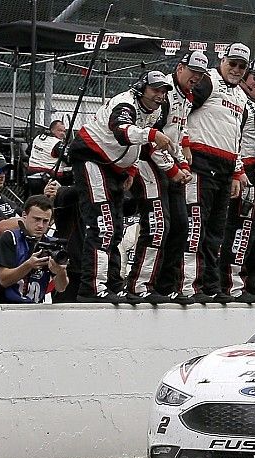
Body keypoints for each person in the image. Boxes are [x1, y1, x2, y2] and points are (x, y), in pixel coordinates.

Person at [68, 70, 174, 303]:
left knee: (115, 227)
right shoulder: (125, 103)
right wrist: (152, 134)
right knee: (103, 226)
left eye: (164, 91)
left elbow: (138, 146)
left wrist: (133, 169)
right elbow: (122, 132)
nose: (160, 95)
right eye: (155, 89)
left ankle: (113, 284)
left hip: (115, 167)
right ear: (141, 88)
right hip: (91, 158)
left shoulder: (153, 111)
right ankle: (92, 288)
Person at [124, 51, 208, 304]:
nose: (196, 77)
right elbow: (152, 139)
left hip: (171, 168)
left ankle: (166, 285)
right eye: (193, 71)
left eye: (201, 74)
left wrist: (182, 163)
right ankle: (139, 285)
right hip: (148, 165)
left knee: (182, 226)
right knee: (159, 226)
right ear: (180, 68)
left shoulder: (187, 98)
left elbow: (177, 135)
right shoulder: (167, 95)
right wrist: (174, 170)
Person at [181, 42, 250, 304]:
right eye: (232, 63)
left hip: (224, 170)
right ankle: (189, 285)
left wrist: (235, 172)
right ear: (222, 60)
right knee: (196, 228)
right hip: (200, 165)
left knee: (216, 232)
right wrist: (185, 144)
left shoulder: (242, 96)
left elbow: (237, 137)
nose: (236, 69)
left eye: (241, 66)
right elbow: (182, 113)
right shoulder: (207, 81)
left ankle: (211, 284)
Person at [219, 59, 255, 303]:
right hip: (248, 178)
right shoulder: (238, 103)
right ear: (245, 76)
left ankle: (252, 283)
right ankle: (232, 284)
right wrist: (239, 172)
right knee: (241, 233)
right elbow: (232, 140)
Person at [0, 195, 68, 303]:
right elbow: (4, 280)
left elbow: (61, 288)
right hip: (5, 307)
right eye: (36, 219)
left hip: (34, 309)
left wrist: (60, 271)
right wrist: (29, 265)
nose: (40, 225)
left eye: (45, 221)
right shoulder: (10, 237)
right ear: (24, 216)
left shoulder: (52, 244)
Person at [0, 150, 21, 292]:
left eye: (4, 170)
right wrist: (27, 220)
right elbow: (2, 228)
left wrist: (47, 200)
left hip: (3, 267)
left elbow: (27, 214)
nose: (2, 174)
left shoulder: (0, 197)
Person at [26, 119, 71, 194]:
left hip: (31, 177)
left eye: (64, 131)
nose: (63, 133)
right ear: (52, 130)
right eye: (60, 131)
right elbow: (69, 160)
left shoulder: (37, 137)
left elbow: (28, 151)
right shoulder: (57, 143)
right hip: (47, 181)